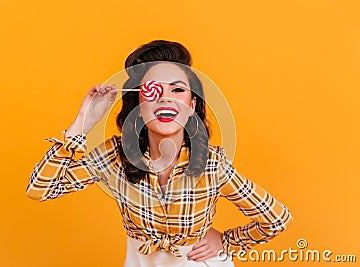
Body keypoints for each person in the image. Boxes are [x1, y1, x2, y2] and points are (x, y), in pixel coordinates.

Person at [26, 40, 293, 267]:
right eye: (155, 91)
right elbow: (40, 189)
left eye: (177, 89)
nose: (165, 98)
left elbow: (276, 218)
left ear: (192, 103)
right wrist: (83, 122)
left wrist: (226, 240)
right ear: (138, 105)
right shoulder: (117, 155)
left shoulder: (212, 163)